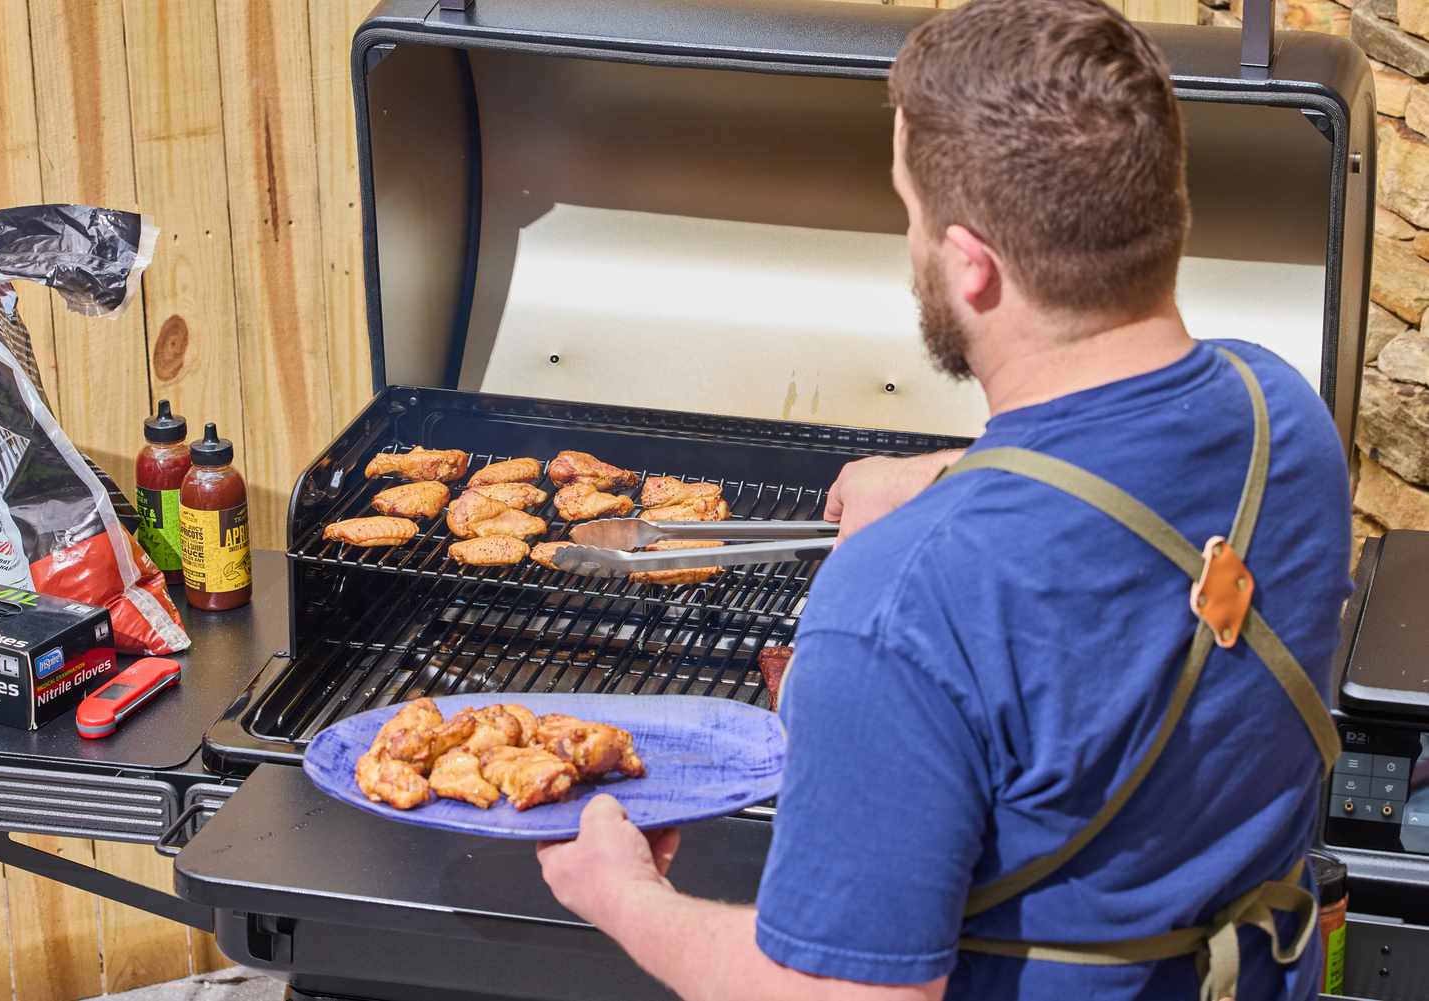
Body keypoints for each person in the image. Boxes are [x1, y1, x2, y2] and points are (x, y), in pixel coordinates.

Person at [537, 1, 1351, 998]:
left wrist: (623, 892)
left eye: (907, 214)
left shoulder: (896, 608)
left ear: (970, 262)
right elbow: (1112, 469)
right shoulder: (1285, 419)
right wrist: (938, 473)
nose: (907, 239)